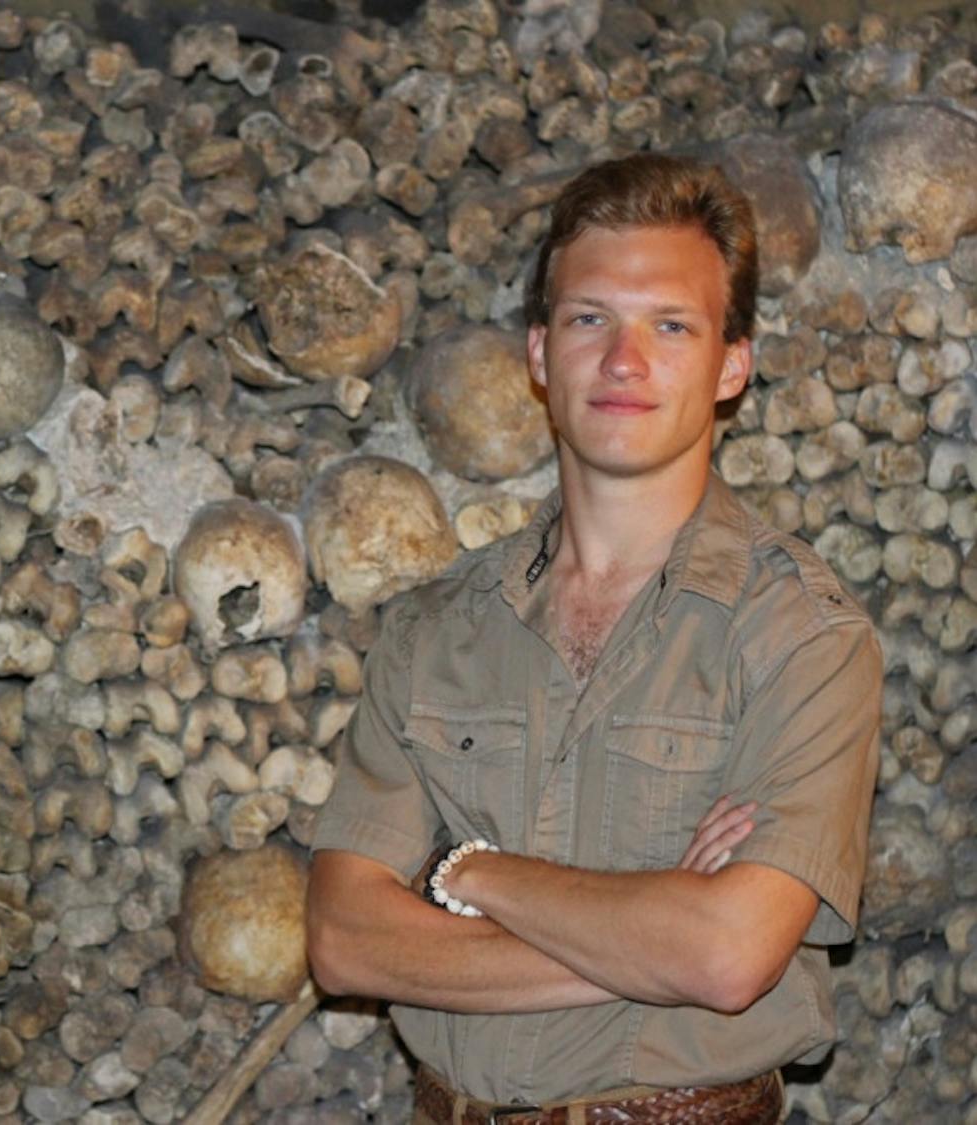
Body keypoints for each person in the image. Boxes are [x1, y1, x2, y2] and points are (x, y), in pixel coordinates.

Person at [306, 153, 882, 1125]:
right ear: (538, 355)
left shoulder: (803, 639)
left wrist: (472, 873)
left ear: (732, 362)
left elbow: (728, 957)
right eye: (589, 320)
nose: (624, 361)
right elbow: (343, 938)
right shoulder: (433, 634)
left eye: (670, 325)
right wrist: (650, 931)